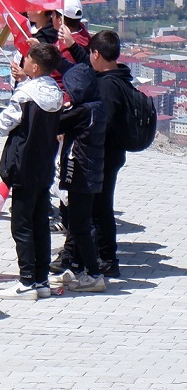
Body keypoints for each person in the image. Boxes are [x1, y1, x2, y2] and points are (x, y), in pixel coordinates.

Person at [0, 43, 64, 301]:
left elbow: (3, 125)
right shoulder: (56, 93)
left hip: (22, 165)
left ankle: (26, 282)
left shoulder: (25, 94)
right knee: (39, 223)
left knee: (21, 225)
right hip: (45, 165)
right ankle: (41, 279)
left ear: (34, 66)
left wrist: (20, 86)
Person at [50, 61, 108, 294]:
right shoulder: (97, 107)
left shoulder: (82, 111)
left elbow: (55, 123)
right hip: (91, 173)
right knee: (77, 223)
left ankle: (94, 274)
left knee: (81, 226)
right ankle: (77, 268)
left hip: (81, 174)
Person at [87, 31, 131, 278]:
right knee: (101, 206)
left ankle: (106, 259)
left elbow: (101, 122)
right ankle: (103, 256)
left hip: (103, 155)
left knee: (100, 208)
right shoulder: (120, 76)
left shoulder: (107, 86)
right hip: (113, 154)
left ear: (96, 54)